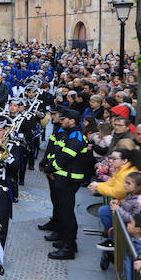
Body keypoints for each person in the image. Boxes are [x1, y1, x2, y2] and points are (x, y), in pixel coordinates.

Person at [41, 108, 92, 260]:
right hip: (63, 179)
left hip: (68, 180)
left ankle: (69, 247)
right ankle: (66, 240)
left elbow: (65, 157)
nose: (61, 121)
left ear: (72, 121)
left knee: (67, 213)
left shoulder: (76, 136)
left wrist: (49, 168)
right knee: (63, 211)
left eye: (64, 119)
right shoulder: (71, 134)